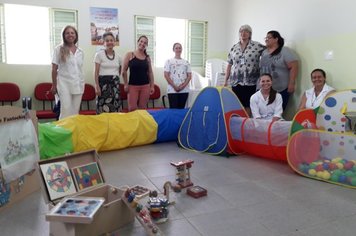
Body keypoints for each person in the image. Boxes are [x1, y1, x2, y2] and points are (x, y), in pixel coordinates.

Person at [224, 24, 265, 116]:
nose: (243, 33)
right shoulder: (234, 47)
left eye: (246, 31)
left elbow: (269, 52)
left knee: (249, 104)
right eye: (241, 31)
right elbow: (229, 64)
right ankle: (239, 124)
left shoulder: (257, 46)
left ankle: (246, 124)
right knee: (237, 104)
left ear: (250, 34)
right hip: (236, 81)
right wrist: (226, 80)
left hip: (251, 81)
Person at [50, 25, 84, 120]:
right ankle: (63, 132)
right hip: (64, 84)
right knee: (65, 110)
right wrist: (54, 85)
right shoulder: (58, 49)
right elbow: (54, 69)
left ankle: (72, 132)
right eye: (67, 33)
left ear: (75, 35)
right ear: (64, 35)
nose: (70, 35)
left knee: (75, 112)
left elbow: (79, 69)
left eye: (72, 33)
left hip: (78, 84)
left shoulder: (80, 52)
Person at [260, 30, 298, 110]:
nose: (266, 39)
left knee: (278, 111)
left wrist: (292, 83)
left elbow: (294, 66)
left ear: (276, 39)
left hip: (281, 88)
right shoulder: (264, 52)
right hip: (265, 88)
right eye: (265, 38)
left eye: (269, 37)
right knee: (265, 111)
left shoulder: (284, 50)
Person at [121, 35, 155, 112]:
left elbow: (150, 72)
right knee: (132, 108)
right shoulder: (130, 55)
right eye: (141, 41)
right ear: (138, 42)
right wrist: (125, 84)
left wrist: (152, 86)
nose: (143, 44)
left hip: (145, 86)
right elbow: (123, 71)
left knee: (142, 109)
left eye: (145, 43)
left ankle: (140, 124)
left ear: (146, 45)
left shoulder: (147, 57)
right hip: (132, 86)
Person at [94, 32, 122, 114]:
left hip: (114, 86)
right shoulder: (99, 55)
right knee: (103, 108)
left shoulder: (119, 57)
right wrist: (96, 86)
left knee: (115, 108)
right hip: (103, 86)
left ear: (114, 42)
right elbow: (96, 72)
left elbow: (119, 70)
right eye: (107, 40)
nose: (109, 42)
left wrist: (114, 78)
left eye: (111, 40)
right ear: (104, 43)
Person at [164, 43, 192, 109]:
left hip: (184, 90)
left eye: (180, 48)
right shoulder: (168, 61)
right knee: (173, 110)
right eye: (176, 48)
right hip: (172, 89)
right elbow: (166, 75)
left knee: (181, 110)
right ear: (173, 49)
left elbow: (189, 76)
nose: (178, 49)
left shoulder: (186, 62)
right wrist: (175, 86)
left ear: (181, 49)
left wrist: (182, 86)